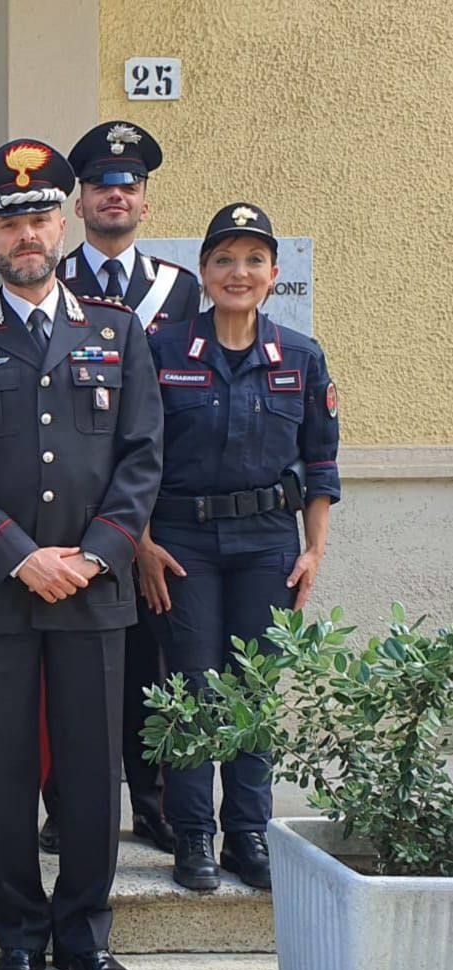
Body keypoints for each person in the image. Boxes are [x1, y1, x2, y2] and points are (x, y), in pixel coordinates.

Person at [0, 140, 162, 970]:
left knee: (91, 773)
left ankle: (85, 935)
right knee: (1, 771)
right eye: (8, 221)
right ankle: (17, 935)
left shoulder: (116, 331)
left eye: (38, 217)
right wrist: (20, 558)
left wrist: (94, 556)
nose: (26, 233)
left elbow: (141, 458)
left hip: (94, 592)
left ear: (62, 225)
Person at [140, 202, 340, 892]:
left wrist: (313, 550)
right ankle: (193, 832)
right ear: (203, 271)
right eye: (224, 259)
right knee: (192, 685)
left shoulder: (300, 357)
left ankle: (247, 832)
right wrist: (140, 543)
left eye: (253, 260)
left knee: (252, 687)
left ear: (273, 274)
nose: (238, 272)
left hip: (266, 543)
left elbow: (320, 462)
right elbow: (134, 456)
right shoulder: (163, 351)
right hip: (182, 541)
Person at [42, 121, 202, 855]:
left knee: (152, 665)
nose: (115, 195)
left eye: (128, 185)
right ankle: (67, 805)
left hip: (157, 507)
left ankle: (153, 801)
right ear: (78, 203)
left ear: (144, 202)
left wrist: (145, 528)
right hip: (70, 510)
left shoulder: (180, 288)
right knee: (66, 674)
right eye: (101, 184)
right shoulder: (49, 281)